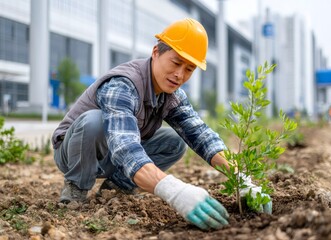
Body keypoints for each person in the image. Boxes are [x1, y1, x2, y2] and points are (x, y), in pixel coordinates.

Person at [52, 18, 271, 231]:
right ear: (156, 52)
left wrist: (241, 179)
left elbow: (201, 135)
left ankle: (117, 187)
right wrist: (173, 190)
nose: (179, 75)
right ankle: (76, 189)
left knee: (174, 142)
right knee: (95, 122)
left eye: (189, 69)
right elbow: (124, 146)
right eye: (176, 62)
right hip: (75, 152)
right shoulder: (123, 84)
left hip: (113, 157)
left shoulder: (173, 95)